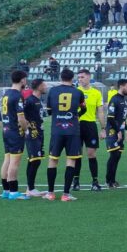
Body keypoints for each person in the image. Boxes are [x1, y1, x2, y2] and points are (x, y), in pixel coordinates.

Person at [44, 69, 86, 202]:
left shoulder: (53, 91)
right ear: (72, 78)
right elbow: (84, 108)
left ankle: (50, 193)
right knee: (71, 160)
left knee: (53, 160)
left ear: (60, 77)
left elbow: (49, 111)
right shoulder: (78, 92)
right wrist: (75, 116)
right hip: (72, 131)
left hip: (57, 130)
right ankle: (66, 195)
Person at [74, 69, 105, 192]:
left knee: (91, 154)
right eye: (79, 77)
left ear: (88, 77)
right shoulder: (75, 92)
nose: (80, 79)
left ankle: (95, 182)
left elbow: (101, 111)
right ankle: (76, 181)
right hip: (76, 126)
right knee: (77, 154)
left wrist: (103, 129)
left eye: (82, 77)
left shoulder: (96, 93)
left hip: (90, 125)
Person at [0, 70, 29, 200]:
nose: (26, 81)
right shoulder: (18, 95)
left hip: (6, 131)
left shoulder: (6, 93)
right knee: (14, 162)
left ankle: (6, 190)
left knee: (7, 159)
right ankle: (13, 191)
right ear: (22, 80)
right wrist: (26, 129)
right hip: (15, 132)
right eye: (25, 79)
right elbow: (21, 118)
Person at [105, 79, 127, 189]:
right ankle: (108, 181)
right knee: (114, 155)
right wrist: (118, 131)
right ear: (121, 86)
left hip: (120, 132)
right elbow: (110, 118)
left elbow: (122, 118)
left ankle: (113, 180)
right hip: (113, 131)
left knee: (117, 156)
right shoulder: (114, 99)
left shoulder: (123, 100)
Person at [23, 78, 47, 197]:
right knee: (34, 160)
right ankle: (30, 188)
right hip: (33, 133)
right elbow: (21, 115)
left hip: (39, 133)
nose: (46, 87)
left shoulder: (38, 100)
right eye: (44, 85)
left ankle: (30, 187)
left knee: (36, 160)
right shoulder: (30, 100)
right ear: (39, 87)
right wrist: (27, 129)